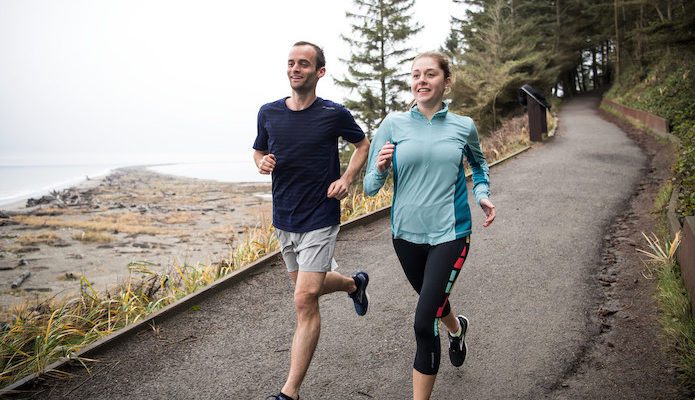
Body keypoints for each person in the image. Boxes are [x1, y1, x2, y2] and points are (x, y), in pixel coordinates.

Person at [364, 51, 496, 400]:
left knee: (424, 321)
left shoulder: (463, 126)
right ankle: (457, 328)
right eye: (415, 75)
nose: (421, 80)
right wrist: (379, 168)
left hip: (451, 233)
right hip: (405, 235)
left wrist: (482, 194)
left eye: (430, 74)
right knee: (432, 299)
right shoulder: (393, 125)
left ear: (446, 81)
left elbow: (479, 167)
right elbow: (368, 188)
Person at [253, 41, 371, 400]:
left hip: (320, 214)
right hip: (284, 217)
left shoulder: (333, 114)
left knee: (304, 298)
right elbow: (259, 149)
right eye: (291, 63)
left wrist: (347, 179)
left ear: (319, 72)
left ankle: (290, 391)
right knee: (310, 288)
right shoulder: (269, 112)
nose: (295, 68)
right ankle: (353, 284)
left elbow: (362, 143)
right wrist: (261, 163)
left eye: (303, 64)